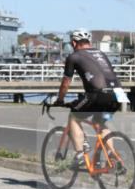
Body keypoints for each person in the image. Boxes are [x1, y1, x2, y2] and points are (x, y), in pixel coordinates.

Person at [53, 29, 126, 170]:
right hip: (118, 94)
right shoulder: (101, 54)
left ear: (74, 43)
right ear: (89, 42)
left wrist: (60, 100)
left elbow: (66, 82)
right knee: (100, 123)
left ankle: (80, 154)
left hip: (98, 94)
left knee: (74, 117)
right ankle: (112, 157)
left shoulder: (74, 56)